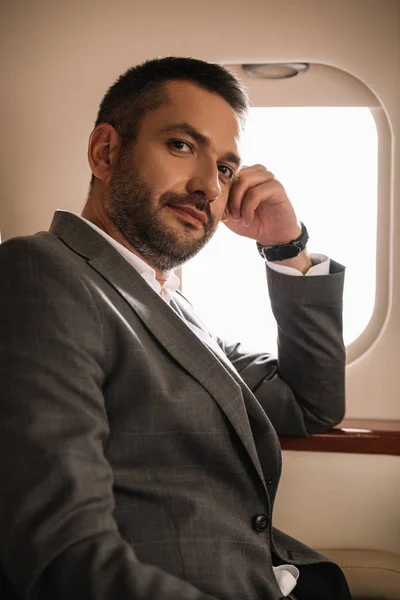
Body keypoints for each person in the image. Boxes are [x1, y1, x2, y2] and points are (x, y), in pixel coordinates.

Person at [0, 57, 351, 599]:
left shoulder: (174, 308)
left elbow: (312, 402)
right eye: (182, 146)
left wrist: (288, 248)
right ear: (105, 152)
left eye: (227, 168)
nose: (210, 186)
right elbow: (62, 552)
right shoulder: (41, 273)